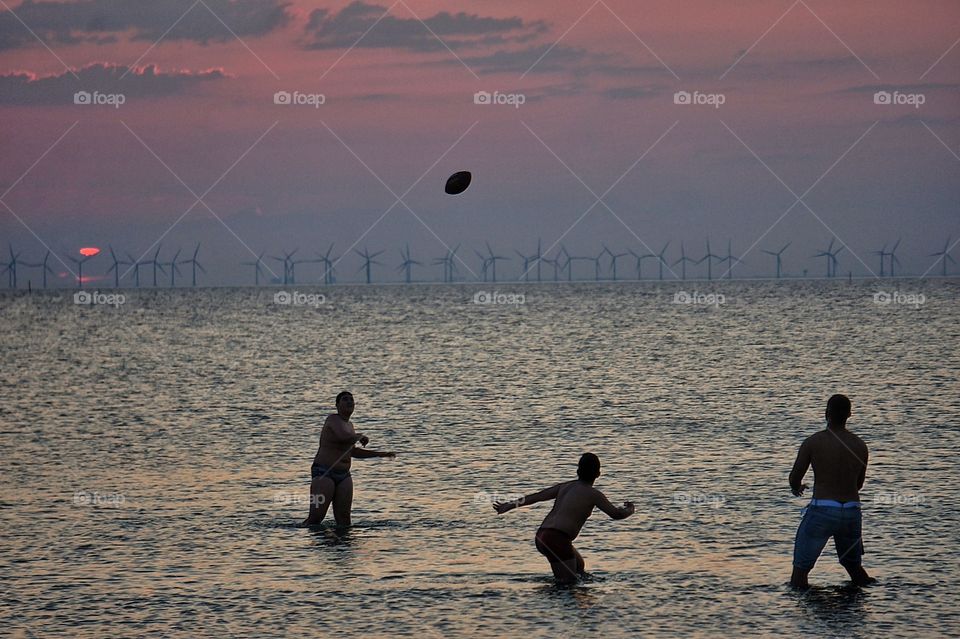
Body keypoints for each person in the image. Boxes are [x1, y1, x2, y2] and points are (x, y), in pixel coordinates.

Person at [493, 453, 635, 584]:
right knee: (568, 584)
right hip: (556, 539)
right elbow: (616, 514)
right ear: (598, 473)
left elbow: (537, 497)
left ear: (578, 471)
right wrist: (630, 510)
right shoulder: (593, 494)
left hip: (542, 535)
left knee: (579, 567)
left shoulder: (566, 486)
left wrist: (509, 505)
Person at [789, 394, 875, 588]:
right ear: (849, 415)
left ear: (826, 413)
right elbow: (858, 485)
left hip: (822, 511)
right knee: (855, 570)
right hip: (852, 511)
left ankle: (798, 614)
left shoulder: (813, 442)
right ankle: (861, 610)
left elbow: (795, 478)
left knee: (799, 574)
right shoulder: (860, 445)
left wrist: (797, 489)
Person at [300, 391, 395, 527]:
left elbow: (352, 451)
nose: (350, 402)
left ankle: (343, 548)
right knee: (315, 519)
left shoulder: (350, 426)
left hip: (344, 475)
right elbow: (343, 437)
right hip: (324, 473)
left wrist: (381, 454)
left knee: (345, 521)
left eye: (351, 399)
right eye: (345, 399)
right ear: (337, 405)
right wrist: (359, 436)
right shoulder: (332, 419)